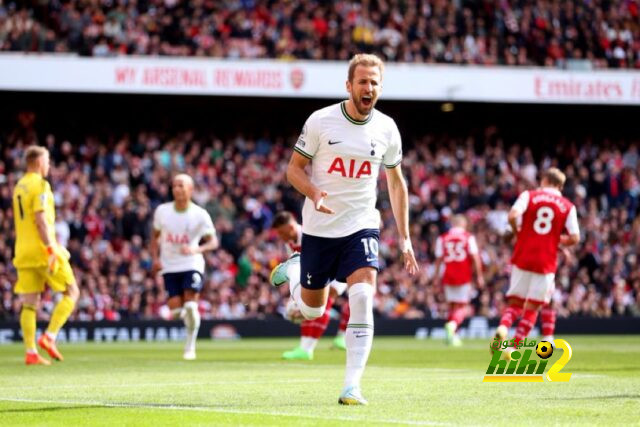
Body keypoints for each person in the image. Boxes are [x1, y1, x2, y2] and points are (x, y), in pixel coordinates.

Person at [285, 53, 419, 405]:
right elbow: (294, 169)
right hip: (319, 227)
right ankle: (295, 272)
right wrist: (314, 193)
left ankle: (351, 386)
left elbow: (396, 182)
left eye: (374, 82)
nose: (369, 87)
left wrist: (404, 238)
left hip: (361, 225)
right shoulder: (321, 121)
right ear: (349, 86)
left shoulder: (387, 128)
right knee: (313, 310)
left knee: (362, 296)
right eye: (363, 81)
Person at [493, 168, 580, 354]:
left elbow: (512, 216)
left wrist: (519, 233)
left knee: (515, 303)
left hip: (522, 255)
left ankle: (503, 327)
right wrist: (556, 240)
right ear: (560, 186)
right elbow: (575, 237)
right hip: (546, 261)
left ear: (545, 180)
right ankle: (514, 346)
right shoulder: (567, 206)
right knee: (533, 307)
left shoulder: (528, 195)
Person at [12, 146, 79, 365]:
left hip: (23, 251)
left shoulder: (19, 186)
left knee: (30, 302)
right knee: (72, 291)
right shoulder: (40, 184)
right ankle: (49, 337)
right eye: (48, 161)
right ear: (40, 161)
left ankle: (31, 352)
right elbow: (40, 220)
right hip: (43, 251)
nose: (49, 165)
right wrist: (52, 248)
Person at [151, 174, 218, 360]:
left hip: (191, 263)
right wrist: (155, 259)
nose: (177, 189)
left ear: (190, 189)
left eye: (181, 185)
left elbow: (213, 242)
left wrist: (197, 249)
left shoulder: (200, 214)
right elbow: (154, 237)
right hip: (169, 265)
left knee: (190, 304)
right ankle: (188, 318)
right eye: (174, 186)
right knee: (175, 311)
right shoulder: (162, 211)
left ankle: (190, 345)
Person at [270, 211, 349, 360]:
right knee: (307, 300)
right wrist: (294, 298)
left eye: (281, 232)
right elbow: (295, 266)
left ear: (291, 227)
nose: (280, 236)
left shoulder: (309, 235)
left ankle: (309, 348)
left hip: (338, 266)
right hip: (318, 271)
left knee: (324, 301)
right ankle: (305, 348)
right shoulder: (290, 244)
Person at [433, 214, 484, 346]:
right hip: (463, 276)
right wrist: (478, 276)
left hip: (448, 275)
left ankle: (452, 336)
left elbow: (438, 260)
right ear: (463, 224)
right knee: (462, 306)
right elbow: (475, 258)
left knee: (452, 306)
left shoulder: (442, 238)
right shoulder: (468, 237)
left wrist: (436, 278)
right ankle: (453, 325)